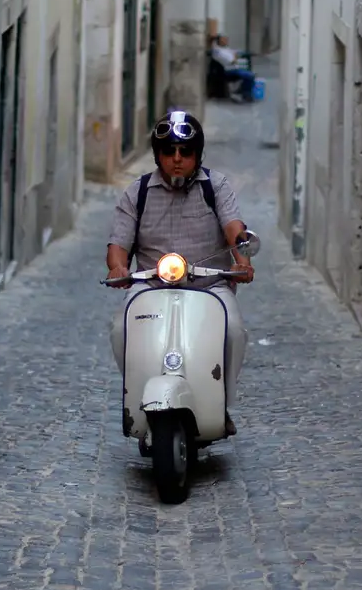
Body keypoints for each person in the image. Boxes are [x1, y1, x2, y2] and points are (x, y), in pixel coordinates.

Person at [105, 109, 253, 433]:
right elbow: (118, 241)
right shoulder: (138, 192)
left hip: (209, 285)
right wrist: (118, 267)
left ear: (197, 155)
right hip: (150, 286)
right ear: (157, 155)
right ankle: (139, 390)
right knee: (120, 331)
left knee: (234, 331)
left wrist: (242, 256)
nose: (176, 159)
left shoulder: (216, 187)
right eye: (168, 151)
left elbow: (233, 226)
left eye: (185, 152)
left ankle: (222, 403)